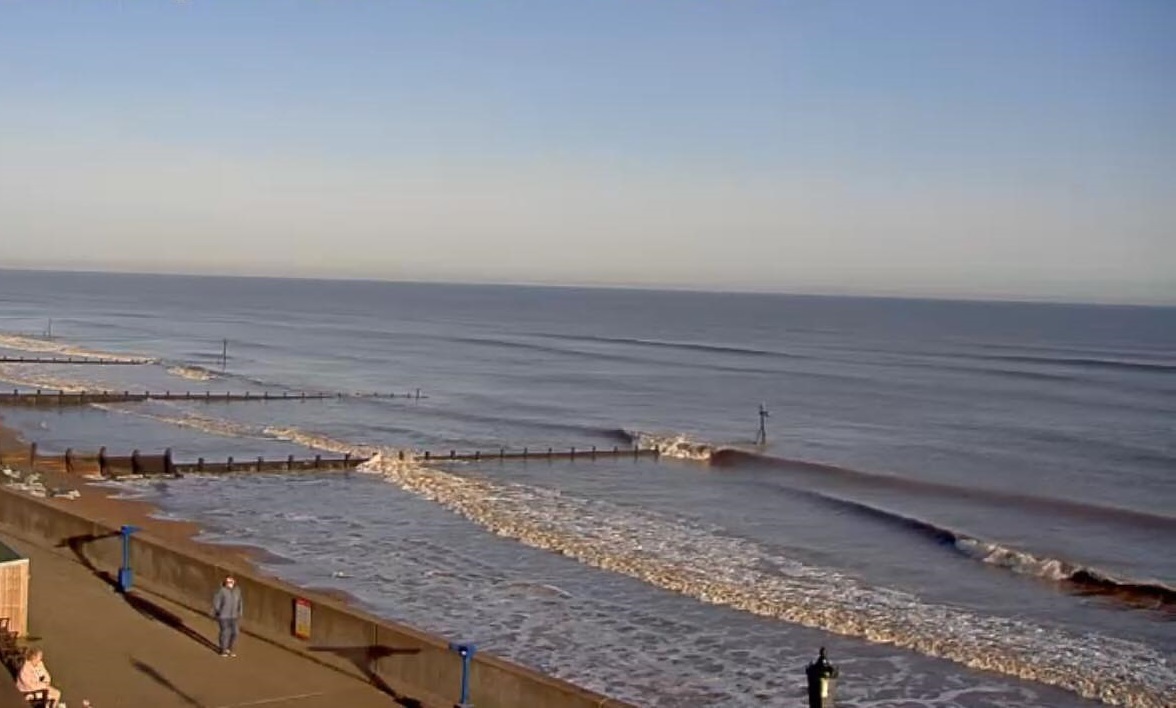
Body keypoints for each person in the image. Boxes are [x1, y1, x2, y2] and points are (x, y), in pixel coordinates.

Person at [212, 575, 243, 657]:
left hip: (234, 616)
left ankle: (230, 649)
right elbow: (216, 602)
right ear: (225, 583)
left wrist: (240, 612)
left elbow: (240, 602)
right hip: (223, 616)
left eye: (231, 581)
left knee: (235, 632)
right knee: (225, 633)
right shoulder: (222, 591)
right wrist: (218, 611)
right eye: (228, 582)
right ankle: (223, 649)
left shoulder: (237, 590)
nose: (230, 583)